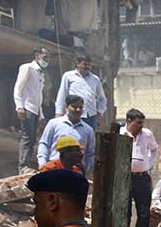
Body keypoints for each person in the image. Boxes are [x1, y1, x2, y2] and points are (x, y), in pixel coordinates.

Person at [121, 109, 160, 227]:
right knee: (125, 212)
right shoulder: (120, 133)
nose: (141, 126)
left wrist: (148, 164)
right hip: (125, 178)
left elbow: (155, 150)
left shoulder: (147, 134)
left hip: (142, 178)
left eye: (142, 123)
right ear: (129, 121)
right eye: (138, 123)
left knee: (143, 213)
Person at [37, 94, 95, 174]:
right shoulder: (54, 123)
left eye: (80, 107)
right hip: (54, 168)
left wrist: (84, 170)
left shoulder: (88, 130)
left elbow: (91, 153)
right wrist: (42, 164)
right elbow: (44, 144)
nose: (78, 110)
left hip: (76, 172)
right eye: (74, 107)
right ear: (66, 107)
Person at [14, 46, 48, 174]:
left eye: (48, 57)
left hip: (35, 110)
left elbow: (39, 96)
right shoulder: (27, 67)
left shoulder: (40, 73)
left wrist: (41, 115)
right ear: (37, 55)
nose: (47, 59)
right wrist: (19, 106)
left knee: (33, 138)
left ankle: (26, 164)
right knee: (27, 137)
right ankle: (22, 166)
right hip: (26, 108)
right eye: (45, 56)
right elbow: (18, 88)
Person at [55, 55, 106, 130]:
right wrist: (59, 113)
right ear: (78, 64)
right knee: (73, 138)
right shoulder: (68, 76)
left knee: (90, 140)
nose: (87, 67)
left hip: (90, 117)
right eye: (84, 64)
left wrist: (100, 112)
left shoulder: (95, 79)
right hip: (73, 115)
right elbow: (62, 95)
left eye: (89, 65)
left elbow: (102, 98)